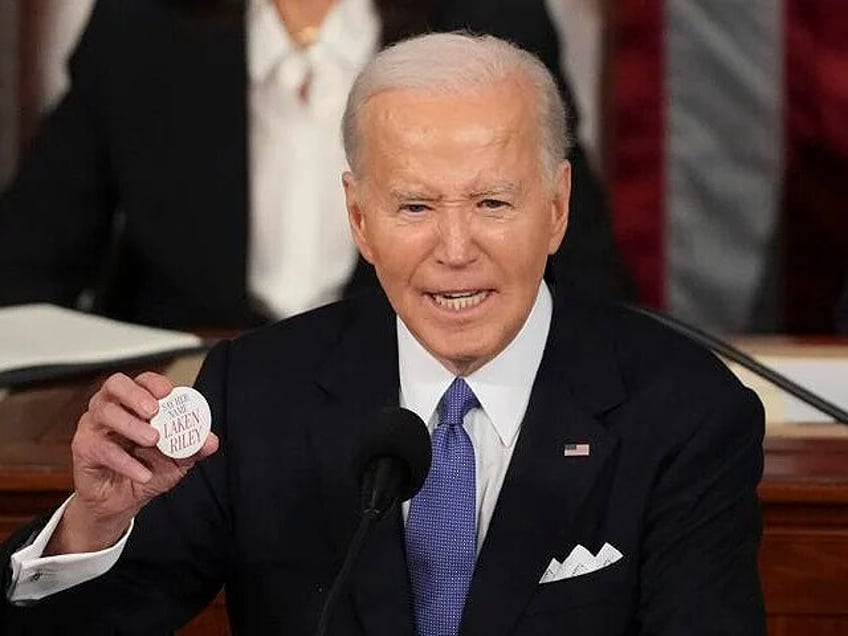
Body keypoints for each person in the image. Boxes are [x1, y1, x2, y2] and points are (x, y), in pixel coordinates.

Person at [1, 33, 764, 635]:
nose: (456, 248)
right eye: (414, 208)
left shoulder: (684, 413)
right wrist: (92, 526)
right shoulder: (256, 394)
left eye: (494, 203)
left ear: (557, 206)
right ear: (360, 218)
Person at [0, 0, 631, 330]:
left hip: (424, 399)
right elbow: (27, 270)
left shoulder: (492, 22)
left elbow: (582, 273)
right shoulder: (137, 28)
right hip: (194, 415)